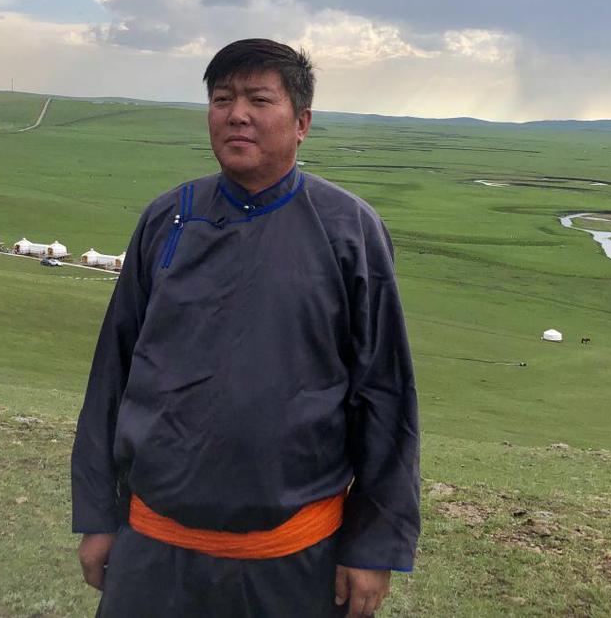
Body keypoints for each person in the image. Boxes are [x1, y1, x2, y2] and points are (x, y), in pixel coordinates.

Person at [72, 39, 420, 617]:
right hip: (153, 551)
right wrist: (98, 516)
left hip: (294, 558)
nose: (237, 114)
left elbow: (384, 395)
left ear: (302, 123)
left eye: (259, 99)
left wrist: (373, 545)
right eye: (222, 99)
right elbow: (113, 374)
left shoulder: (349, 230)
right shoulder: (167, 220)